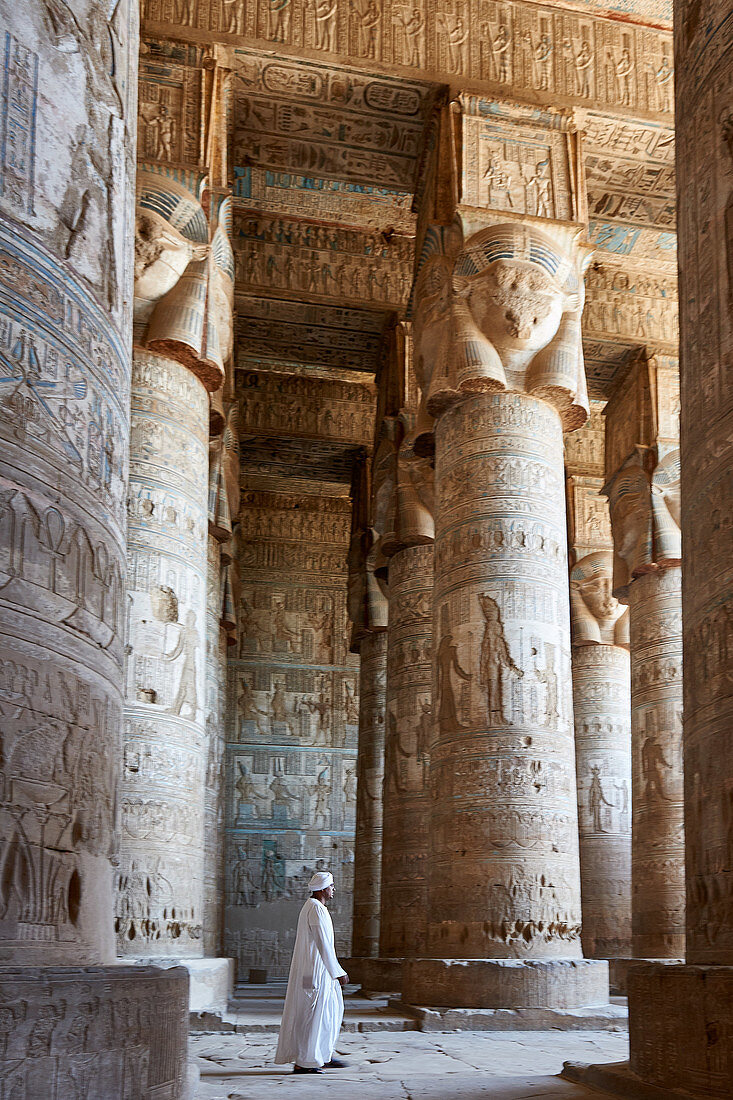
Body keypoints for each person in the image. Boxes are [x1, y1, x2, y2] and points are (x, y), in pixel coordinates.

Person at [275, 871, 349, 1074]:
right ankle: (305, 1061)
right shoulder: (316, 909)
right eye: (331, 886)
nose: (333, 889)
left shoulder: (315, 907)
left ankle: (322, 1054)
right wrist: (338, 971)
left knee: (326, 1013)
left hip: (319, 971)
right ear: (323, 889)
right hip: (314, 973)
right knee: (312, 1015)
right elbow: (323, 944)